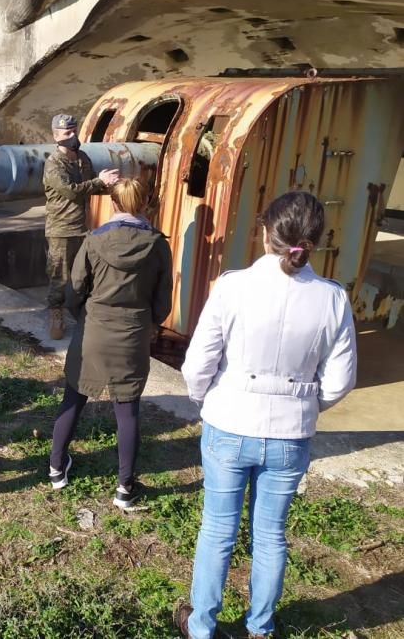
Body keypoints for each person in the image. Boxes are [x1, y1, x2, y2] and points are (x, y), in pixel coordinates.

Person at [174, 192, 357, 639]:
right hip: (290, 433)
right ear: (315, 241)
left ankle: (201, 626)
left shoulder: (232, 286)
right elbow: (340, 381)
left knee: (217, 530)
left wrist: (207, 400)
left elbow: (198, 364)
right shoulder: (333, 299)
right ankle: (260, 627)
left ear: (264, 232)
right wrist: (305, 405)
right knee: (272, 534)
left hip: (229, 422)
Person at [48, 177, 172, 510]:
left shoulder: (93, 240)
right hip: (132, 334)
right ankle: (124, 489)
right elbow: (163, 302)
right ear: (144, 204)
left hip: (93, 330)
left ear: (113, 204)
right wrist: (150, 324)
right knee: (127, 411)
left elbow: (75, 289)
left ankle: (57, 469)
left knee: (73, 398)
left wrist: (84, 316)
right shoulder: (158, 245)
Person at [44, 113, 120, 340]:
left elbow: (90, 186)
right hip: (61, 229)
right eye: (67, 133)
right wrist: (99, 182)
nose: (72, 137)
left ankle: (80, 311)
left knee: (84, 273)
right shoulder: (53, 164)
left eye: (74, 131)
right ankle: (56, 313)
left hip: (82, 227)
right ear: (57, 136)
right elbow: (71, 190)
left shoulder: (82, 158)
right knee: (59, 275)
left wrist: (109, 185)